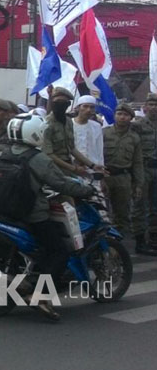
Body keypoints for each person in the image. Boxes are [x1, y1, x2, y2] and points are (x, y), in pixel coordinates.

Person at [1, 114, 94, 320]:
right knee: (60, 251)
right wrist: (86, 191)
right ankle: (40, 296)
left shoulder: (5, 153)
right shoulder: (38, 158)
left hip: (4, 211)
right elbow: (60, 183)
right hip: (32, 215)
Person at [103, 103, 148, 252]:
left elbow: (137, 162)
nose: (122, 117)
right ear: (115, 116)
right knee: (102, 212)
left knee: (121, 214)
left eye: (126, 115)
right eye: (119, 114)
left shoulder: (134, 138)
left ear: (131, 118)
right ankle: (101, 246)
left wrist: (138, 184)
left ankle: (117, 248)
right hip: (105, 176)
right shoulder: (104, 133)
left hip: (123, 178)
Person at [42, 87, 94, 176]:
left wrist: (92, 165)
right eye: (57, 102)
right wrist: (74, 169)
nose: (59, 105)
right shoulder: (46, 123)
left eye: (63, 103)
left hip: (68, 166)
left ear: (68, 104)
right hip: (52, 168)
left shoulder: (68, 121)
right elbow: (48, 153)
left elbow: (72, 148)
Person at [133, 93, 157, 249]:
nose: (154, 107)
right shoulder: (138, 125)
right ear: (145, 107)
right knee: (139, 204)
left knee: (155, 206)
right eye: (151, 104)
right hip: (144, 168)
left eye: (156, 104)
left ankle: (154, 237)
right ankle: (140, 241)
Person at [72, 95, 104, 175]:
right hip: (73, 168)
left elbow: (99, 150)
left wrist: (101, 173)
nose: (88, 110)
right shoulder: (69, 124)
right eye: (85, 106)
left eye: (92, 107)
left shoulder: (96, 126)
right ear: (78, 108)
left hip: (93, 170)